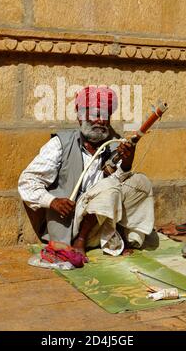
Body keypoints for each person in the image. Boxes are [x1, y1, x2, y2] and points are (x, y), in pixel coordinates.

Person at [18, 86, 154, 257]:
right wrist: (52, 201)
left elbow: (120, 185)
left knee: (141, 182)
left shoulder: (114, 145)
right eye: (94, 114)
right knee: (109, 187)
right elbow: (27, 181)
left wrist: (127, 163)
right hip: (69, 227)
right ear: (80, 117)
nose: (99, 120)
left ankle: (125, 238)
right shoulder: (61, 144)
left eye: (104, 115)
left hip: (101, 226)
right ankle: (80, 241)